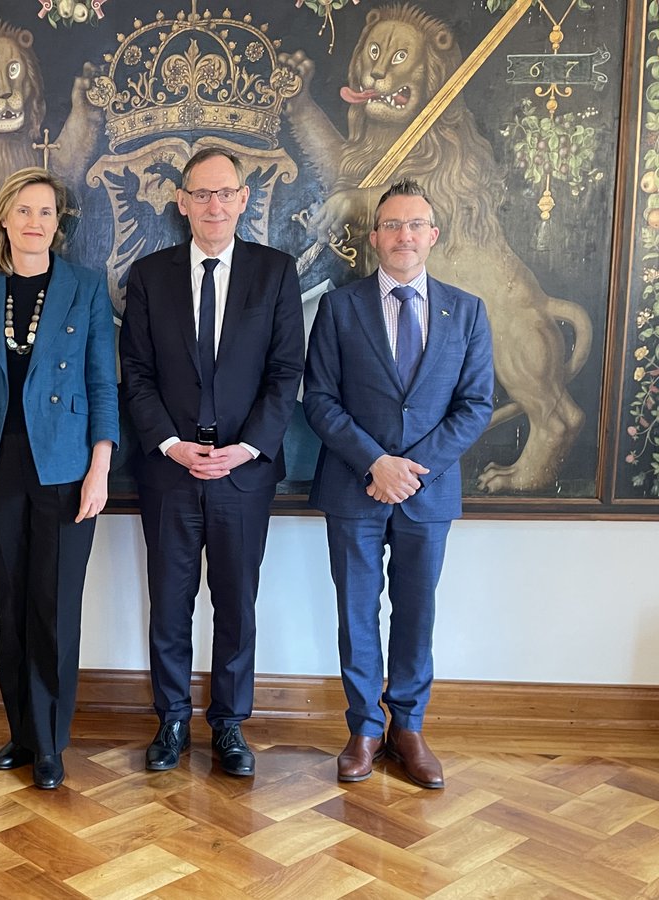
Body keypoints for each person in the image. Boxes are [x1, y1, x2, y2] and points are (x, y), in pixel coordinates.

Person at [302, 178, 493, 788]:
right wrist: (374, 463)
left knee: (416, 612)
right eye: (392, 226)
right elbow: (321, 400)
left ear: (433, 235)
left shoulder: (466, 311)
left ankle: (407, 727)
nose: (403, 236)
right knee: (356, 614)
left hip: (427, 494)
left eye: (415, 225)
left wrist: (413, 469)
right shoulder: (339, 307)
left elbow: (475, 405)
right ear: (375, 236)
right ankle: (363, 729)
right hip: (354, 489)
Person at [119, 147, 304, 777]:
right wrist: (171, 444)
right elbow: (136, 375)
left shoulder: (275, 273)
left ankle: (228, 724)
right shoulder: (149, 276)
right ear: (181, 201)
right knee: (169, 601)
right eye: (201, 194)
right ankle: (171, 719)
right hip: (168, 470)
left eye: (225, 193)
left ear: (244, 199)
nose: (213, 205)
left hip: (244, 473)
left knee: (236, 600)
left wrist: (245, 447)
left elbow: (286, 373)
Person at [0, 167, 118, 790]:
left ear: (56, 223)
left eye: (46, 212)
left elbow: (102, 383)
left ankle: (50, 743)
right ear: (5, 220)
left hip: (67, 468)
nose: (35, 222)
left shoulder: (85, 286)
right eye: (24, 211)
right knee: (11, 603)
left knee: (54, 606)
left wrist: (100, 469)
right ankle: (20, 731)